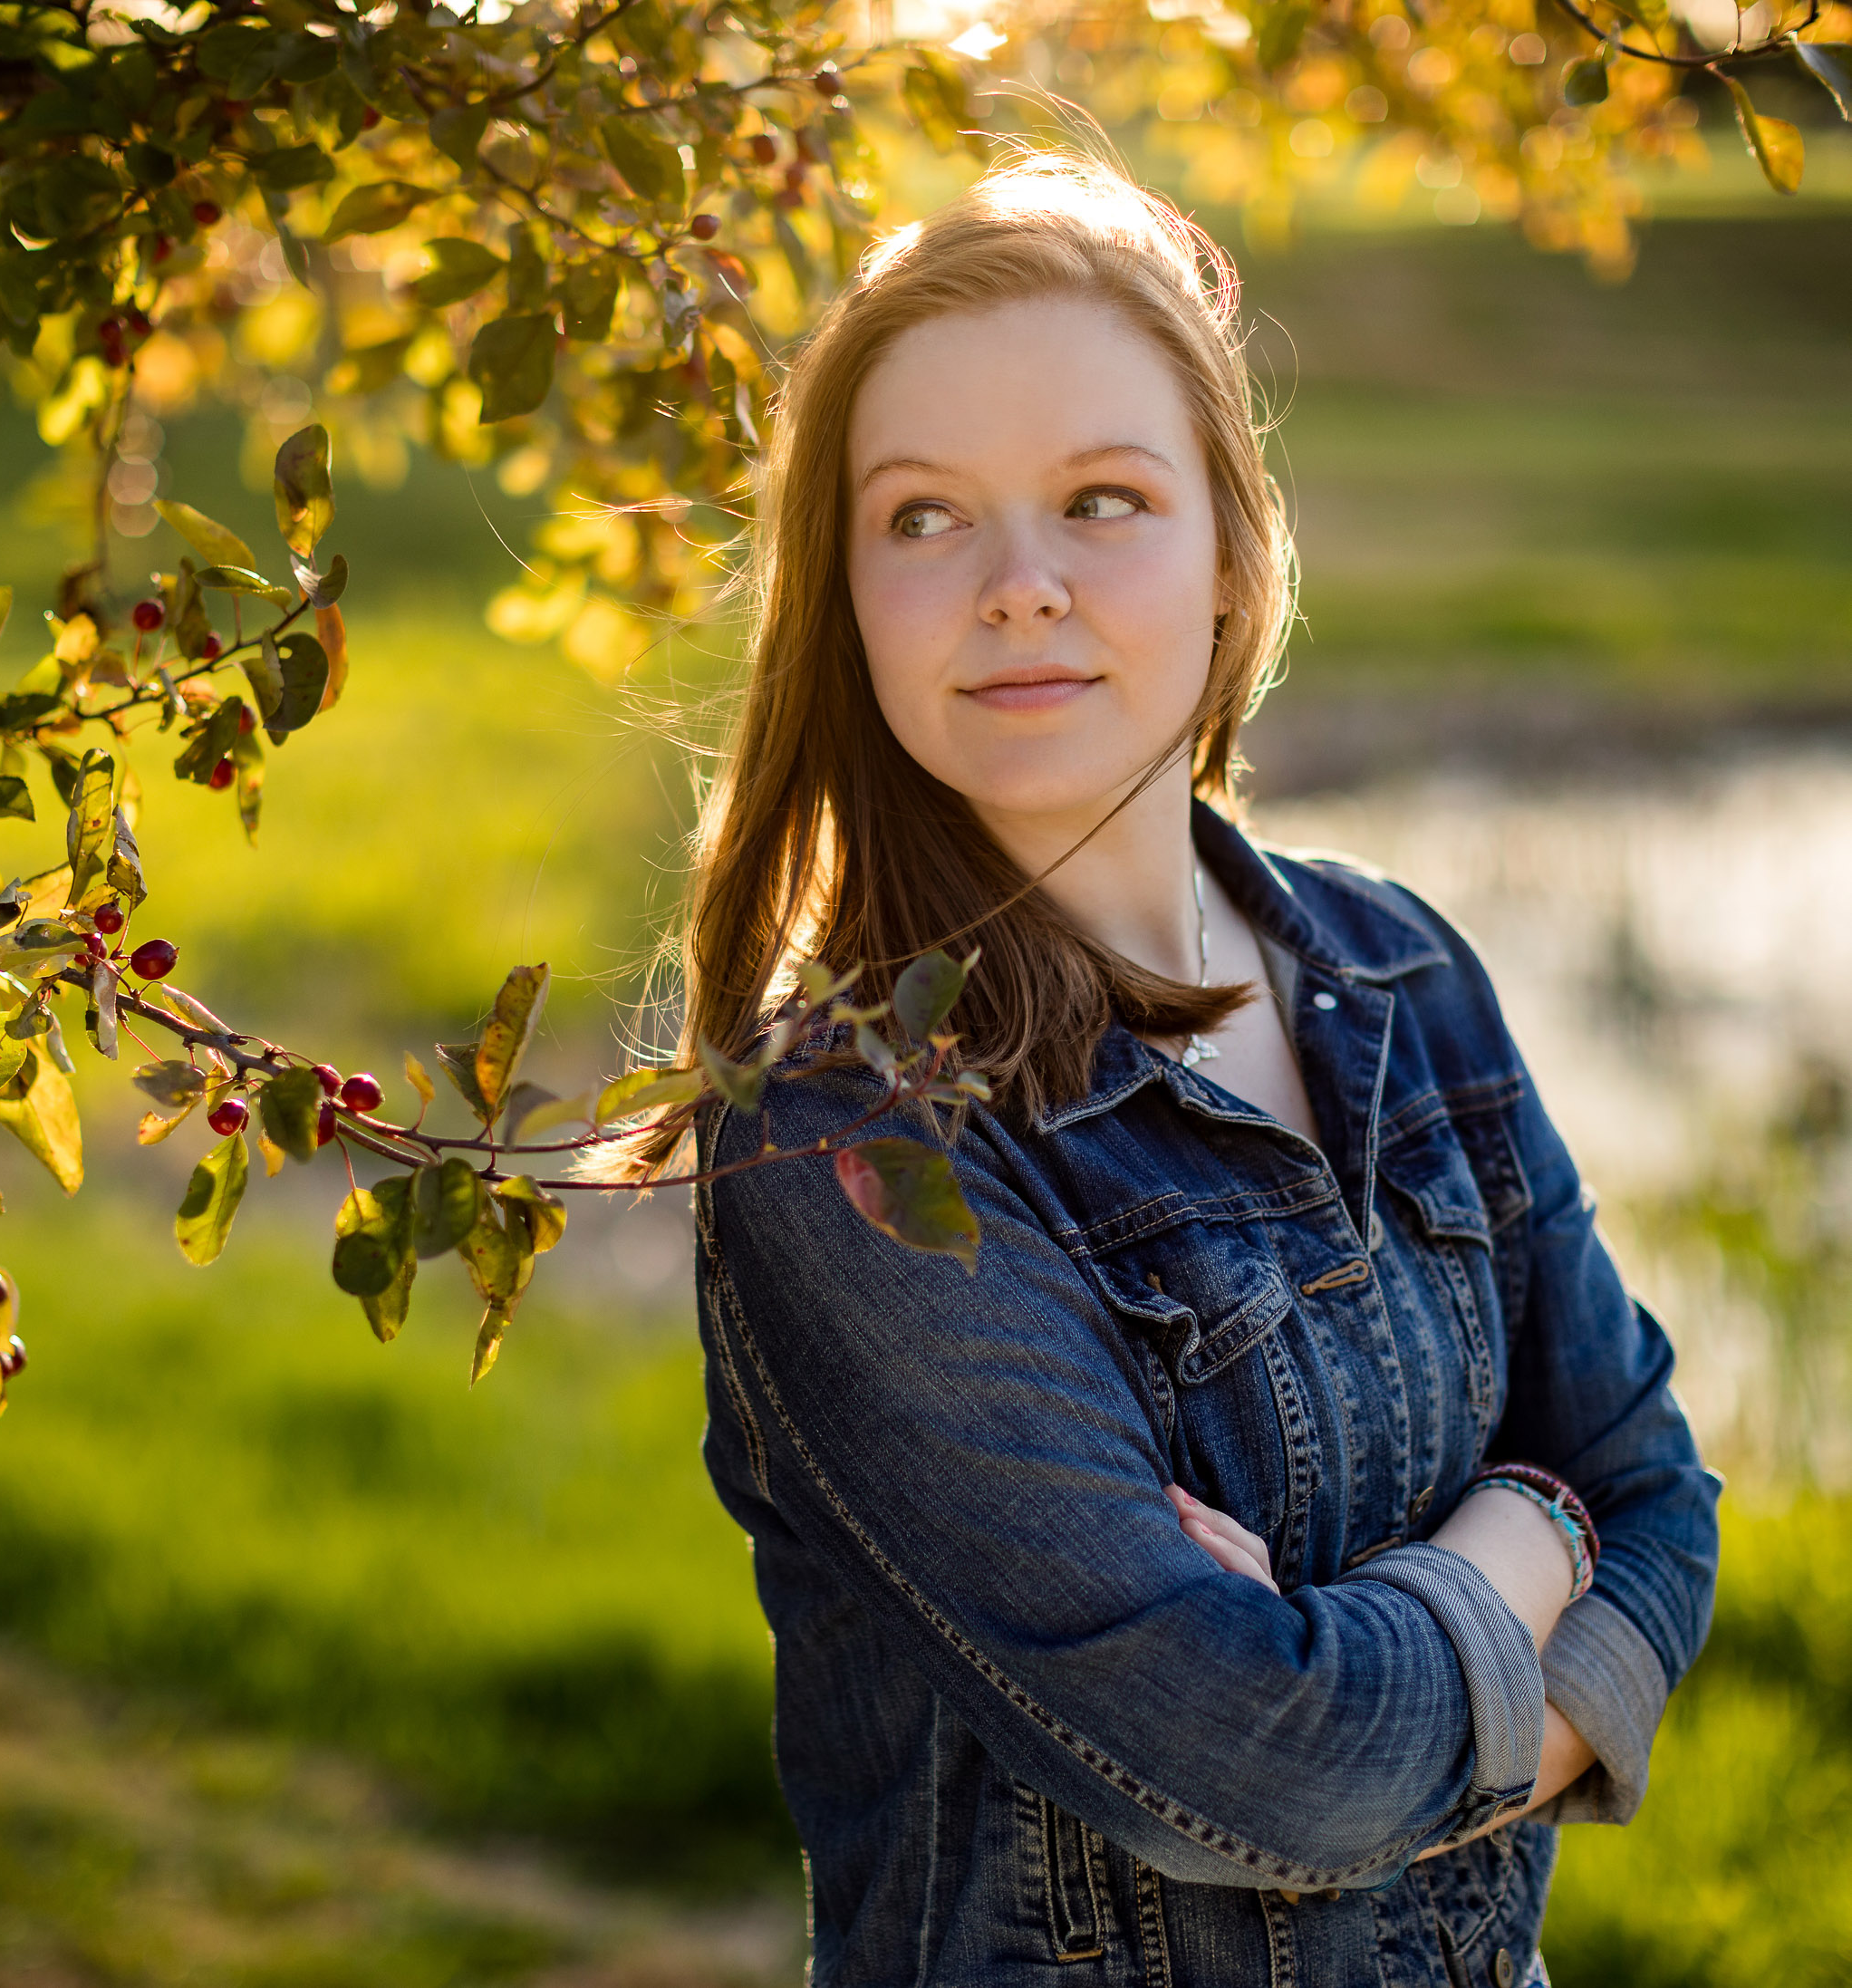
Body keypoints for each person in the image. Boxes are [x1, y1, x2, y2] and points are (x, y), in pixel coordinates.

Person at [661, 150, 1720, 1985]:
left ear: (1232, 557)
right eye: (922, 517)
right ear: (841, 592)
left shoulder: (1396, 969)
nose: (1015, 586)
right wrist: (1516, 1544)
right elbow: (1256, 1772)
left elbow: (1648, 1487)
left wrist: (1488, 1575)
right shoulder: (842, 1132)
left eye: (1100, 498)